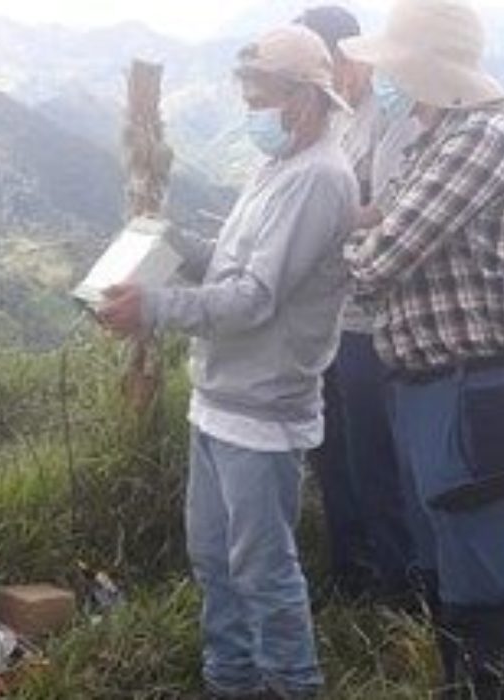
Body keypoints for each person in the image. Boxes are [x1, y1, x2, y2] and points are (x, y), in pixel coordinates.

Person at [96, 25, 359, 699]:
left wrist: (153, 307)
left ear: (304, 97)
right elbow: (235, 262)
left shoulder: (321, 179)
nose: (251, 111)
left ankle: (290, 684)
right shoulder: (278, 167)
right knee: (214, 557)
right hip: (218, 400)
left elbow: (253, 299)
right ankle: (231, 678)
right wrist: (178, 245)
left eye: (260, 96)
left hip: (263, 410)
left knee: (263, 567)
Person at [340, 0, 504, 696]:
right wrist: (362, 229)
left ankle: (493, 687)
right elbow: (379, 223)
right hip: (429, 384)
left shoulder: (478, 139)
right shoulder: (437, 137)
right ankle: (461, 682)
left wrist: (338, 241)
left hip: (471, 385)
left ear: (423, 68)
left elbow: (379, 258)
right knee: (444, 558)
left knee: (482, 565)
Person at [293, 4, 425, 610]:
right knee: (332, 449)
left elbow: (392, 217)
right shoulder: (337, 122)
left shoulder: (391, 120)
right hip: (329, 316)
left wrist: (323, 228)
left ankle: (398, 584)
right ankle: (351, 568)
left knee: (375, 453)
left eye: (333, 64)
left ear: (352, 55)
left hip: (371, 319)